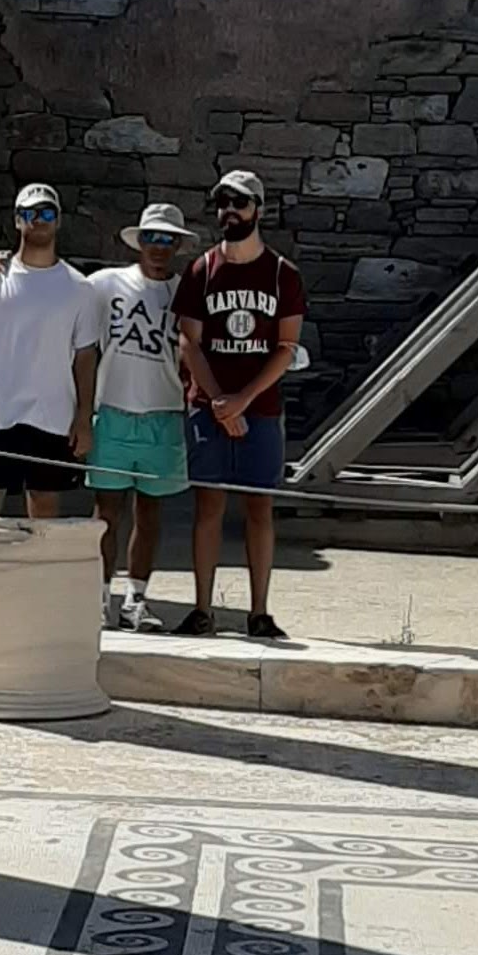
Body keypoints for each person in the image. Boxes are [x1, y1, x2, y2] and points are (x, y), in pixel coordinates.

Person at [173, 168, 304, 640]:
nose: (230, 210)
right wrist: (217, 401)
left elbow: (286, 346)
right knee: (208, 506)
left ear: (258, 210)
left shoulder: (282, 274)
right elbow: (189, 342)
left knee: (259, 507)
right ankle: (202, 608)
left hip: (260, 408)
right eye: (223, 202)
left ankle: (259, 612)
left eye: (240, 202)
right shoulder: (202, 270)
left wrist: (242, 401)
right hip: (209, 405)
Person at [0, 183, 103, 515]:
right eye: (30, 213)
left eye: (47, 213)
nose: (39, 220)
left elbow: (85, 356)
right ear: (17, 220)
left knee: (44, 511)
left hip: (54, 417)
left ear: (58, 220)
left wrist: (83, 418)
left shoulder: (80, 289)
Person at [82, 202, 194, 629]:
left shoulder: (187, 292)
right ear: (139, 241)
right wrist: (4, 261)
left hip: (164, 411)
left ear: (178, 245)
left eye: (168, 239)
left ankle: (136, 599)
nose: (159, 246)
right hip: (113, 409)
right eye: (152, 237)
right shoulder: (105, 283)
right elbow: (55, 288)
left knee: (150, 514)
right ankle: (99, 598)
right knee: (105, 514)